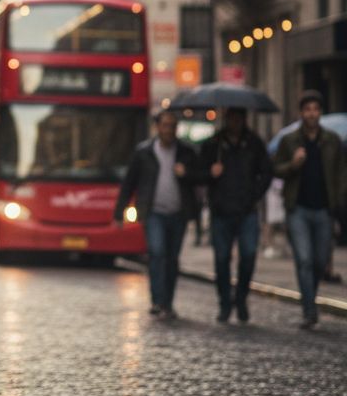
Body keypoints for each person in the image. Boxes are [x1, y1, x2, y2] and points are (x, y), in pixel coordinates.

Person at [112, 109, 199, 320]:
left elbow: (200, 179)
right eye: (165, 125)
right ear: (157, 127)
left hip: (178, 213)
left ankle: (168, 302)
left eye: (172, 126)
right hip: (154, 213)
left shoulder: (187, 152)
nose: (169, 130)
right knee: (157, 253)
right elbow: (129, 183)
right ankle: (157, 301)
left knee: (171, 258)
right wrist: (120, 211)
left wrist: (186, 173)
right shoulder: (144, 152)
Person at [274, 90, 346, 329]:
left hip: (325, 208)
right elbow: (277, 170)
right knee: (304, 260)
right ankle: (309, 310)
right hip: (298, 209)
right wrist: (293, 164)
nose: (311, 114)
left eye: (315, 109)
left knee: (318, 261)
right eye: (307, 110)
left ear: (320, 113)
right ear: (301, 113)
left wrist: (338, 200)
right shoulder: (290, 141)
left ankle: (310, 299)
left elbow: (340, 172)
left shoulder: (333, 141)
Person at [199, 107, 272, 323]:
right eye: (231, 118)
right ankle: (224, 303)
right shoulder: (213, 144)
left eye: (239, 118)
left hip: (247, 210)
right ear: (226, 119)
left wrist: (254, 195)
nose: (235, 122)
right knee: (222, 260)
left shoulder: (254, 143)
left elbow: (266, 172)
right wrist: (210, 173)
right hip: (221, 211)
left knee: (248, 256)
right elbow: (199, 173)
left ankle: (241, 298)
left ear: (244, 119)